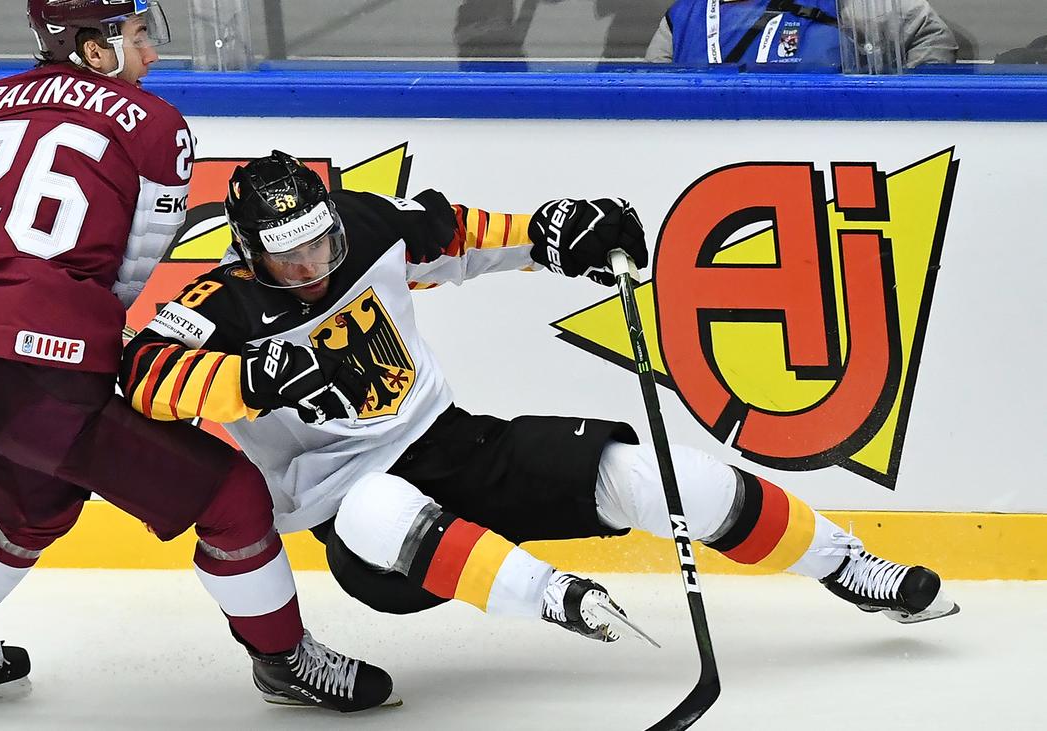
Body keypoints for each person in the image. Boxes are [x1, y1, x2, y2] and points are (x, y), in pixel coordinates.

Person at [121, 150, 958, 659]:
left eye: (322, 242)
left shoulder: (367, 225)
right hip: (364, 532)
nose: (314, 264)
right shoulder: (215, 306)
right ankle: (559, 596)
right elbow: (145, 373)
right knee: (375, 506)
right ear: (246, 255)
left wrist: (559, 233)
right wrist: (253, 377)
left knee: (650, 475)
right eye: (291, 258)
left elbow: (463, 236)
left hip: (456, 446)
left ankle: (849, 564)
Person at [0, 3, 394, 714]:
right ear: (94, 51)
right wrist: (75, 324)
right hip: (44, 378)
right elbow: (133, 267)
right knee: (232, 498)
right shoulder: (155, 125)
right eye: (137, 36)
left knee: (33, 507)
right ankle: (285, 659)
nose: (151, 52)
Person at [645, 0, 956, 68]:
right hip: (716, 167)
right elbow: (647, 102)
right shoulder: (681, 18)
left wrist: (907, 108)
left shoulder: (838, 2)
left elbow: (929, 35)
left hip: (823, 167)